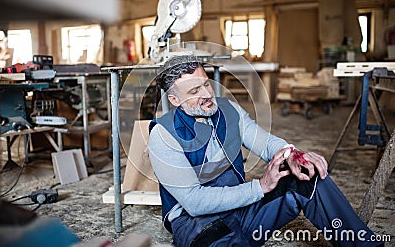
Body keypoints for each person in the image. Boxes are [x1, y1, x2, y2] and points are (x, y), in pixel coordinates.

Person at [148, 54, 382, 247]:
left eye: (206, 84)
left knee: (307, 175)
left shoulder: (228, 111)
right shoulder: (163, 135)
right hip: (199, 224)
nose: (207, 94)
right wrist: (259, 187)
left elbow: (265, 142)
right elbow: (195, 202)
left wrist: (292, 154)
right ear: (175, 100)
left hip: (241, 208)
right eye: (194, 91)